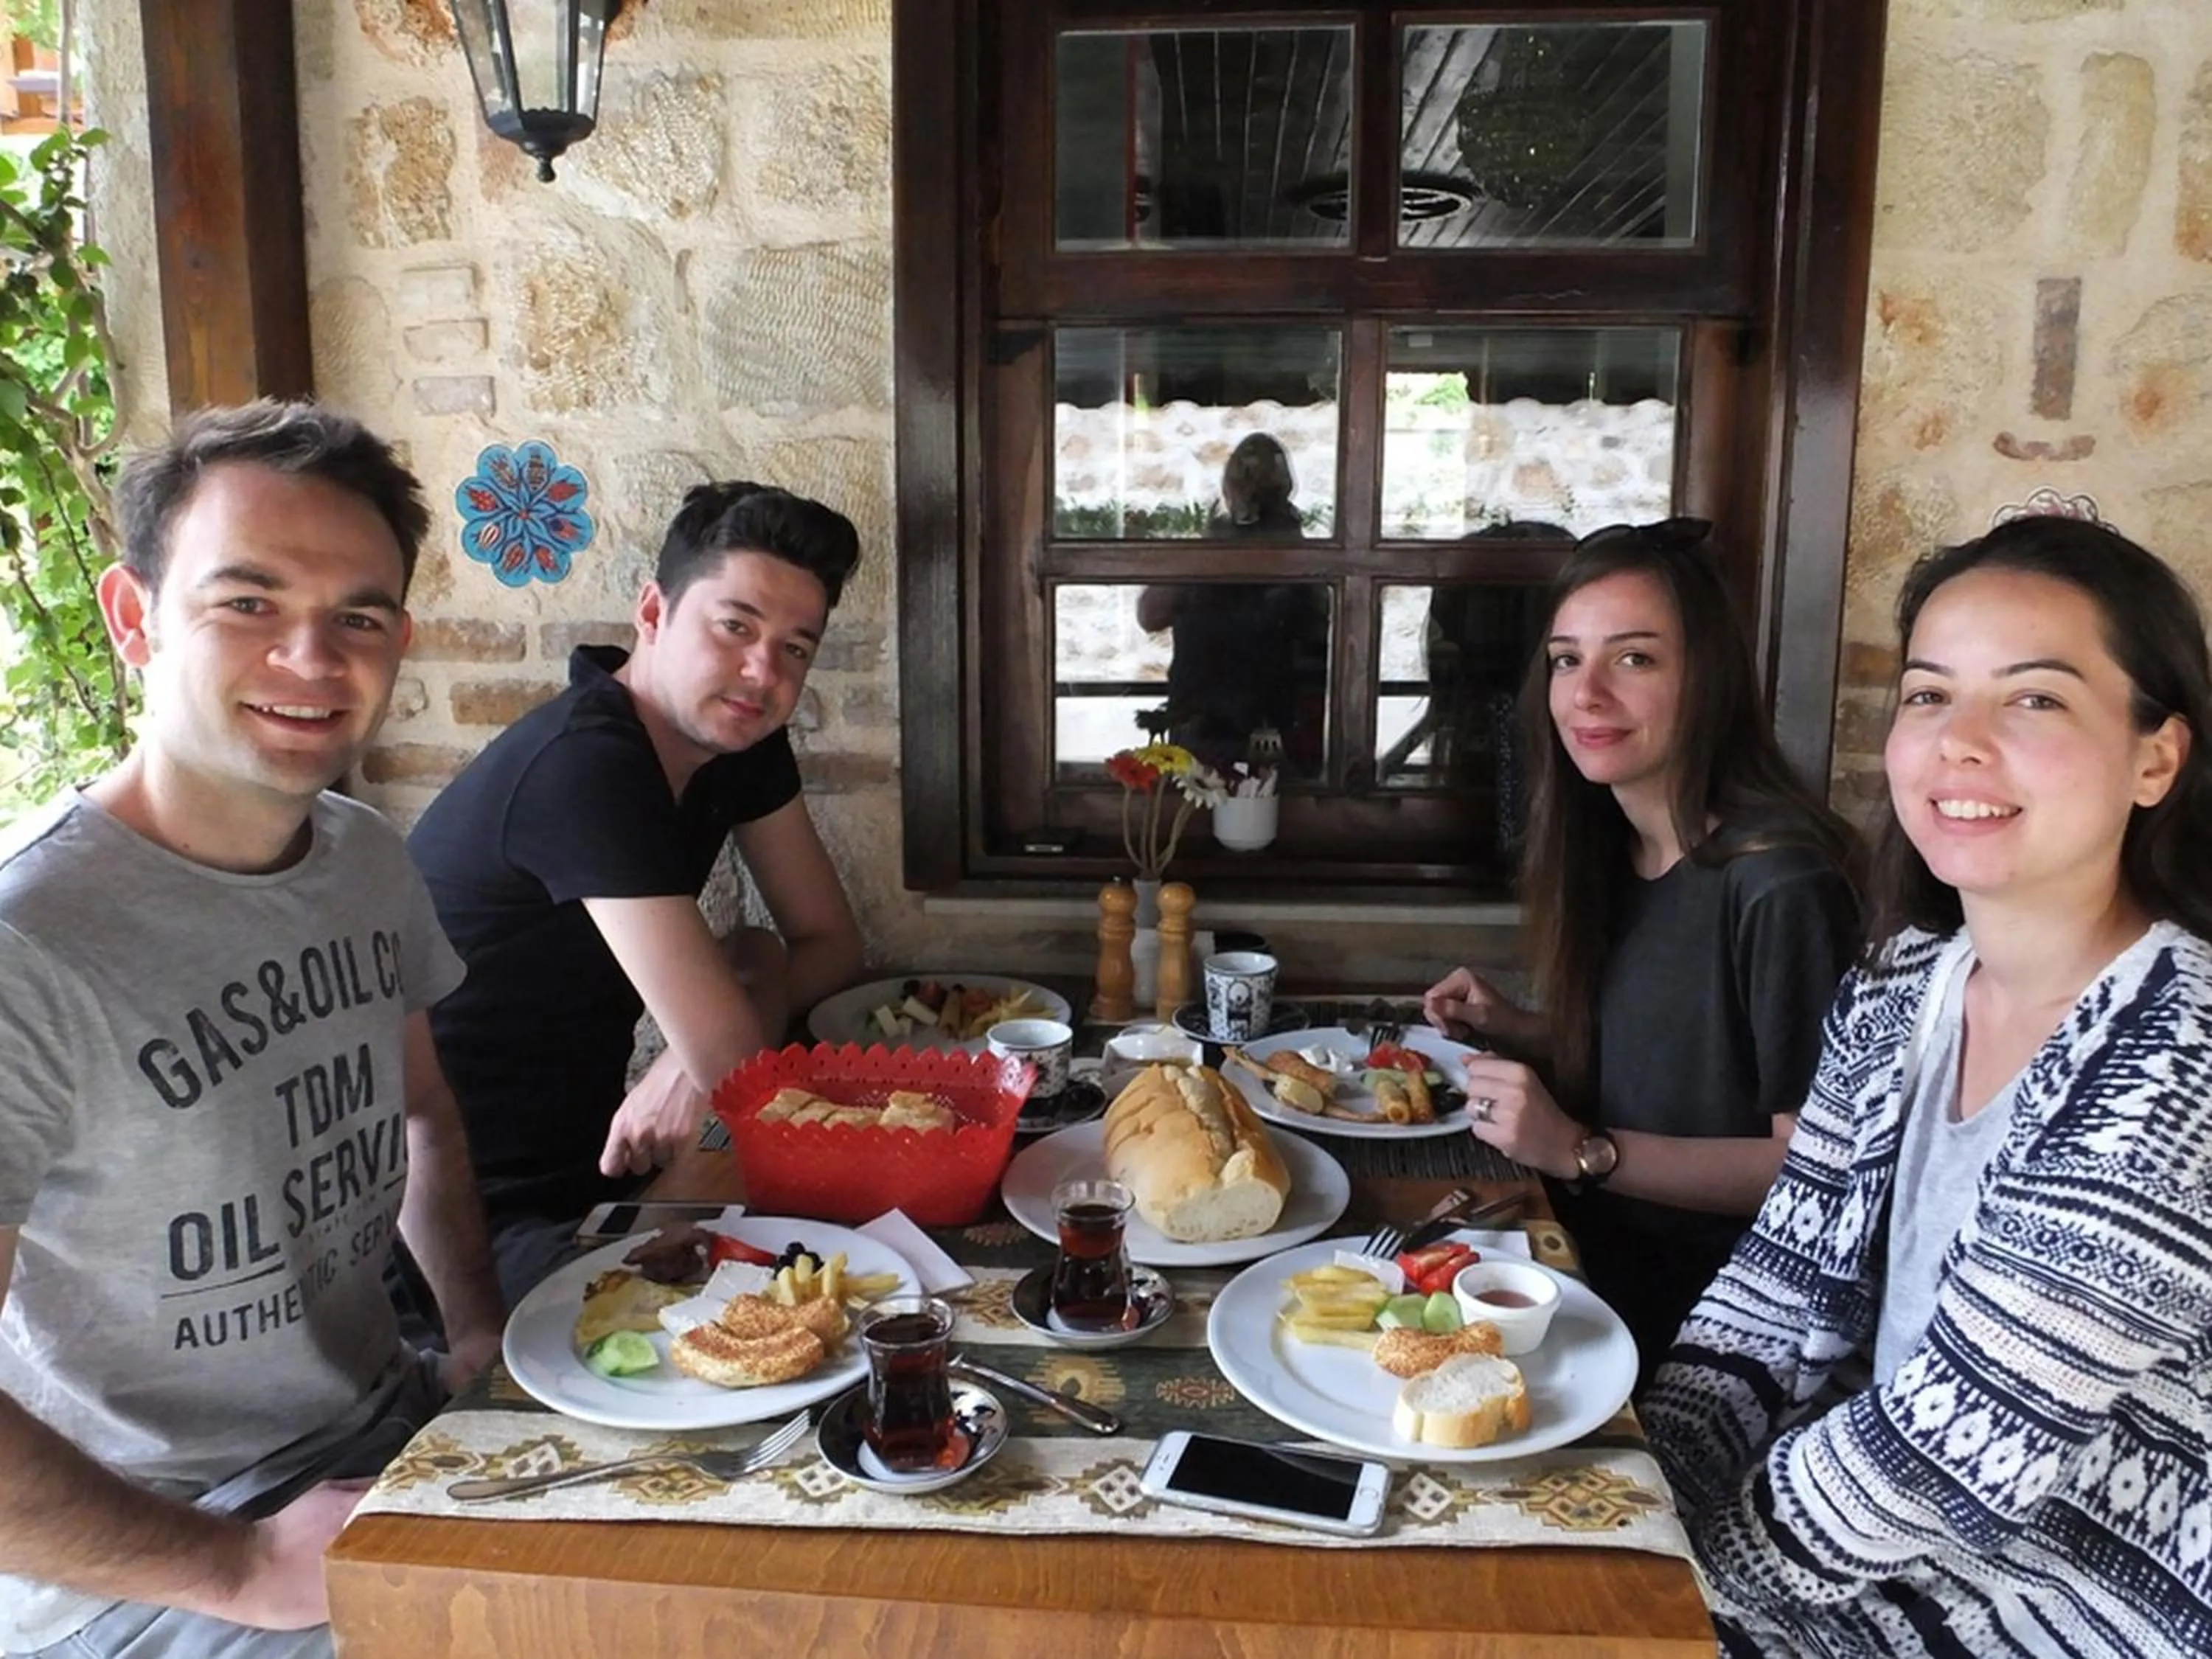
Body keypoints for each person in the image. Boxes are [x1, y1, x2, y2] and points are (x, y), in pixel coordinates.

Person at [1643, 515, 2212, 1656]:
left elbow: (1942, 1451)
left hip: (2066, 1614)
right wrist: (1629, 1485)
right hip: (1854, 1559)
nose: (1961, 742)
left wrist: (1655, 1571)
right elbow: (1771, 1287)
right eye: (1929, 694)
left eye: (2035, 698)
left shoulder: (2179, 1063)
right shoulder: (1901, 983)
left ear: (2156, 758)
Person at [0, 402, 504, 1658]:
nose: (312, 657)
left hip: (383, 1434)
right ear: (134, 618)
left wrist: (476, 1332)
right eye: (247, 601)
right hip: (154, 1556)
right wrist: (238, 1567)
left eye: (359, 617)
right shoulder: (28, 945)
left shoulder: (363, 860)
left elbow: (425, 1117)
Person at [1422, 518, 1860, 1386]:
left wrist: (1582, 1150)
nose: (1587, 694)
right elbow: (1686, 1059)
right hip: (1587, 1257)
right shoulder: (1620, 848)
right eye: (1566, 660)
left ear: (1709, 678)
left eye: (1634, 658)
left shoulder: (1782, 883)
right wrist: (1527, 1030)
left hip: (1712, 1323)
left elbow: (1815, 1169)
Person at [408, 481, 866, 1304]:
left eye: (796, 648)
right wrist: (714, 1043)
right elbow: (736, 1063)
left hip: (594, 1176)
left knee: (854, 1272)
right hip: (465, 1224)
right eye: (735, 627)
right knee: (807, 1306)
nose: (763, 672)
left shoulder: (737, 739)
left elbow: (827, 946)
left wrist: (716, 1028)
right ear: (653, 612)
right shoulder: (587, 765)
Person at [1137, 434, 1329, 776]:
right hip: (1206, 728)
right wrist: (1209, 553)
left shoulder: (1297, 557)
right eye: (1245, 477)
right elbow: (1150, 613)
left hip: (1275, 730)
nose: (1250, 488)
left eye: (1259, 480)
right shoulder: (1214, 553)